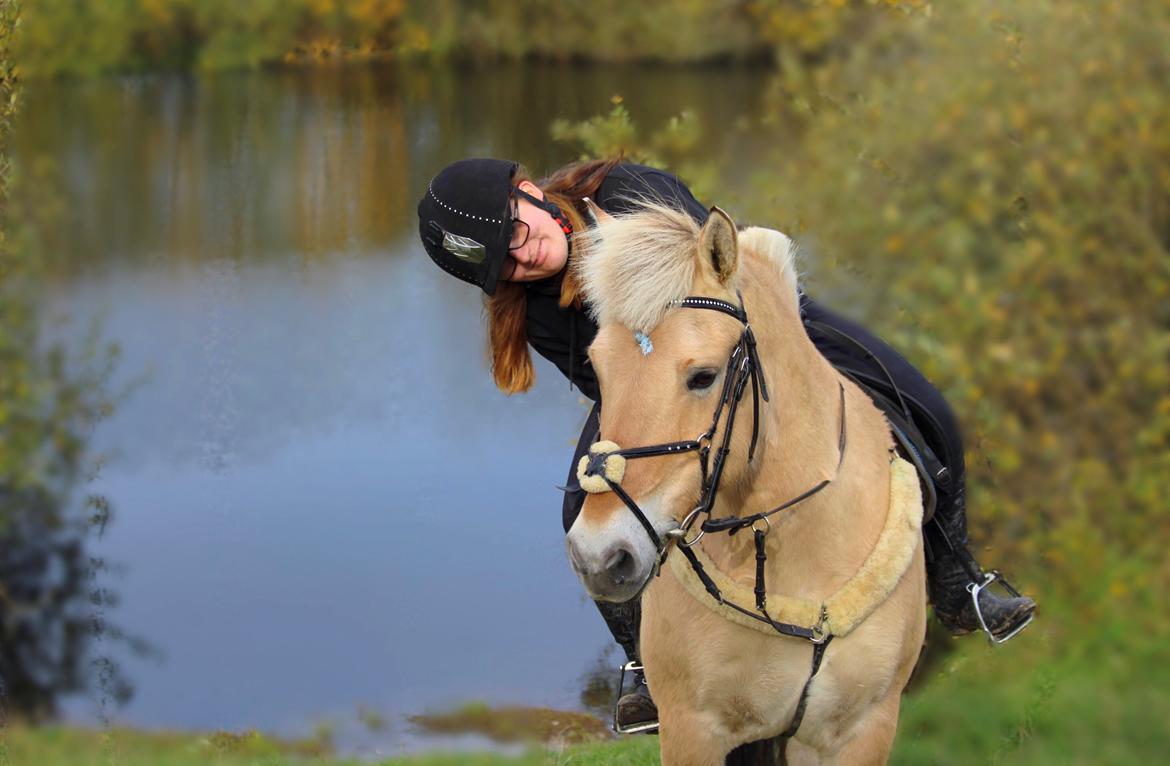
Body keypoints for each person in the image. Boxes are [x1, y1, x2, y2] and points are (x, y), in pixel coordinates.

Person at [416, 157, 1036, 731]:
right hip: (655, 391)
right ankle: (642, 661)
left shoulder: (629, 193)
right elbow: (605, 383)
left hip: (754, 325)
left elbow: (713, 276)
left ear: (525, 193)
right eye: (503, 269)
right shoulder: (535, 308)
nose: (522, 263)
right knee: (580, 509)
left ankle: (958, 579)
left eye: (516, 238)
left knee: (921, 404)